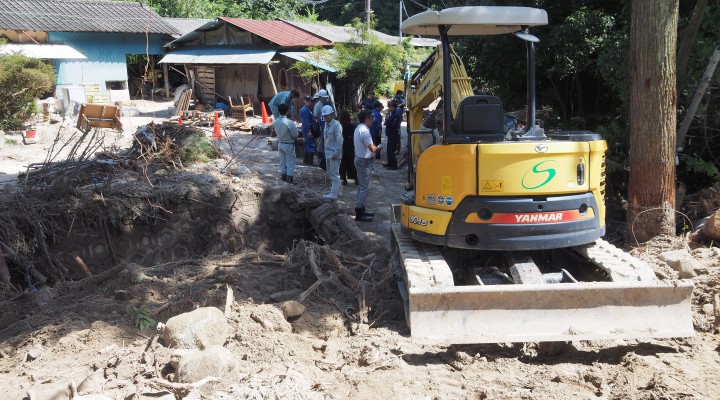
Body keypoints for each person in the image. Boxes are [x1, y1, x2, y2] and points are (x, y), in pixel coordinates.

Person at [354, 110, 383, 222]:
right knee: (364, 187)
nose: (373, 120)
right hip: (364, 161)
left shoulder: (358, 128)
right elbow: (373, 149)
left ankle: (361, 208)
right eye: (371, 118)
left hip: (360, 158)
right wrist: (379, 147)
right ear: (367, 119)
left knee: (361, 186)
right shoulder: (365, 131)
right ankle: (359, 212)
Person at [321, 105, 343, 199]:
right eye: (324, 116)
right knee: (331, 173)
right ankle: (339, 191)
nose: (325, 117)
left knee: (334, 174)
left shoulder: (336, 125)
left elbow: (339, 140)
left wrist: (336, 152)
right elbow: (326, 138)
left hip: (334, 153)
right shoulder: (326, 124)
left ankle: (333, 194)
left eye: (326, 116)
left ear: (331, 115)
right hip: (328, 152)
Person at [273, 104, 298, 183]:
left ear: (279, 111)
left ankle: (283, 177)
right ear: (287, 112)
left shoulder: (275, 122)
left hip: (280, 144)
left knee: (282, 162)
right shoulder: (289, 122)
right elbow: (295, 135)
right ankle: (289, 179)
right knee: (290, 163)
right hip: (288, 144)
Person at [338, 110, 357, 185]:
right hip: (350, 146)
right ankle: (355, 177)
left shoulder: (339, 126)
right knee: (352, 163)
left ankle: (343, 179)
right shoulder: (352, 126)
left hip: (342, 146)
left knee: (342, 164)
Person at [314, 89, 331, 169]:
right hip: (322, 127)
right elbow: (316, 117)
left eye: (325, 98)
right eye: (323, 97)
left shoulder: (327, 104)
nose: (325, 99)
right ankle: (321, 159)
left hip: (327, 128)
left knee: (326, 144)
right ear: (320, 97)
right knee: (321, 144)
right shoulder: (318, 106)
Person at [383, 101, 401, 170]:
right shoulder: (390, 114)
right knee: (388, 150)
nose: (389, 108)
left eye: (390, 107)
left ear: (394, 107)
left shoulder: (397, 115)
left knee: (391, 150)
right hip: (390, 134)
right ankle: (389, 163)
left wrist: (387, 122)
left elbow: (395, 125)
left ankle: (394, 165)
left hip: (394, 135)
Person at [299, 95, 317, 165]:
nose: (311, 103)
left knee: (308, 144)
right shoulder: (305, 110)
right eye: (309, 101)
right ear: (305, 101)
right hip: (308, 130)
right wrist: (309, 131)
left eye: (311, 102)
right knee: (311, 145)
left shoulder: (307, 109)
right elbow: (305, 122)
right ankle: (310, 161)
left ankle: (306, 160)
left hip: (309, 129)